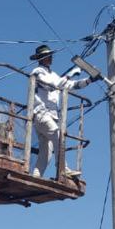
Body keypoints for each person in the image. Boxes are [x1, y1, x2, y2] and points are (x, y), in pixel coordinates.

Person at [28, 44, 95, 177]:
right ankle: (63, 169)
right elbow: (54, 86)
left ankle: (35, 175)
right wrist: (71, 74)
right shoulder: (37, 72)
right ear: (40, 58)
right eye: (47, 55)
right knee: (58, 136)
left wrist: (89, 80)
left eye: (51, 55)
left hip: (51, 115)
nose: (50, 57)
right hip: (41, 113)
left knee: (46, 152)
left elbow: (69, 85)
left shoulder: (53, 74)